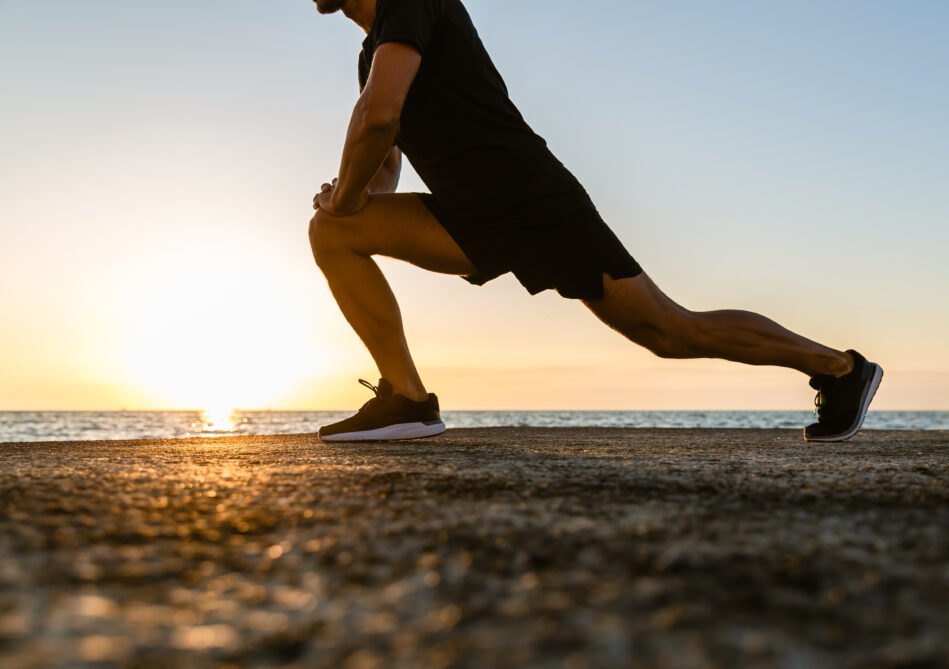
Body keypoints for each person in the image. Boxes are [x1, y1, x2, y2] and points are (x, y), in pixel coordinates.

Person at [307, 0, 883, 443]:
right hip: (468, 217)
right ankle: (408, 400)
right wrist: (349, 198)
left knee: (669, 331)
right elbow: (383, 158)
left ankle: (840, 368)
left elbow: (378, 119)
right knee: (333, 230)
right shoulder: (372, 56)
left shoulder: (411, 2)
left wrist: (348, 195)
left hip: (533, 200)